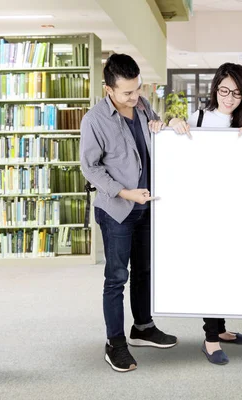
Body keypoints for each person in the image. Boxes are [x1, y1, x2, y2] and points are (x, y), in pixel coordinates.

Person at [80, 54, 178, 373]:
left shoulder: (143, 105)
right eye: (126, 93)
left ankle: (143, 327)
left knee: (145, 271)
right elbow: (90, 168)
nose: (134, 97)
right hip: (117, 209)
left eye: (137, 89)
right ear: (108, 88)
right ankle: (115, 343)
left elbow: (153, 143)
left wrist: (161, 128)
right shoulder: (95, 120)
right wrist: (125, 192)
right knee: (116, 277)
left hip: (147, 205)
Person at [169, 62, 242, 365]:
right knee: (210, 271)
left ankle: (220, 329)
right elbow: (177, 148)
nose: (229, 97)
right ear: (215, 88)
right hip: (203, 206)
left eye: (236, 92)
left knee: (225, 270)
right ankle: (209, 339)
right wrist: (173, 122)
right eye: (224, 90)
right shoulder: (198, 117)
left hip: (234, 206)